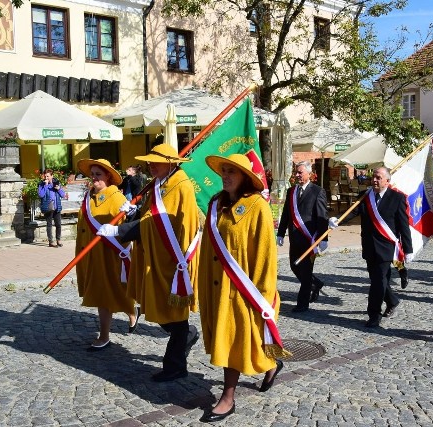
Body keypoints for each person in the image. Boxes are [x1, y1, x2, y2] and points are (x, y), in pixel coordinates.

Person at [197, 153, 290, 422]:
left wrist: (263, 297)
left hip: (243, 290)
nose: (225, 175)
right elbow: (207, 250)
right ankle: (271, 365)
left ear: (246, 177)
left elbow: (265, 256)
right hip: (218, 288)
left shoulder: (256, 207)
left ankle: (228, 397)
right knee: (236, 340)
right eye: (223, 171)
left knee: (233, 341)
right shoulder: (216, 204)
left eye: (231, 172)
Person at [97, 144, 200, 381]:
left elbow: (158, 223)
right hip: (155, 256)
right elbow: (148, 215)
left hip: (172, 260)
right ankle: (185, 337)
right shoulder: (160, 183)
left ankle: (175, 366)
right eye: (150, 161)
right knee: (158, 308)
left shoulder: (179, 185)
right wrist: (133, 212)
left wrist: (119, 230)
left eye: (156, 162)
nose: (151, 165)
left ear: (171, 163)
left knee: (173, 313)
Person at [75, 158, 138, 350]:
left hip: (110, 254)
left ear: (108, 176)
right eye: (92, 174)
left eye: (98, 174)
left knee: (107, 293)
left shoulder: (116, 197)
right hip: (91, 254)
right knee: (106, 292)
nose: (94, 178)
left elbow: (128, 227)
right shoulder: (88, 197)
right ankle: (131, 311)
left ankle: (104, 336)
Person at [354, 167, 413, 328]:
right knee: (377, 279)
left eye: (378, 177)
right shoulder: (365, 196)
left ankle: (374, 315)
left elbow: (403, 225)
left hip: (387, 248)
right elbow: (353, 212)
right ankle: (393, 300)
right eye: (373, 177)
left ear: (387, 181)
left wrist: (408, 249)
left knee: (378, 281)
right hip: (369, 246)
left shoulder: (397, 198)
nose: (374, 180)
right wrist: (335, 221)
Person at [277, 161, 329, 312]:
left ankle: (302, 304)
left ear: (309, 174)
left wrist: (324, 238)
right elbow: (286, 213)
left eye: (300, 172)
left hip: (309, 239)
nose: (297, 175)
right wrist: (280, 233)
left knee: (305, 272)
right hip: (295, 238)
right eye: (296, 172)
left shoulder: (317, 191)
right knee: (294, 266)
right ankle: (316, 284)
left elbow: (322, 216)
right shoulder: (291, 191)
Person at [38, 169, 66, 248]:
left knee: (58, 225)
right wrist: (46, 185)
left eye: (48, 176)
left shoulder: (56, 183)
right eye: (45, 176)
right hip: (48, 207)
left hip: (56, 207)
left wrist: (59, 189)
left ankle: (58, 240)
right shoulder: (41, 184)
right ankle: (51, 241)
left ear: (52, 176)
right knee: (49, 225)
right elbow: (41, 195)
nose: (46, 178)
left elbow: (63, 195)